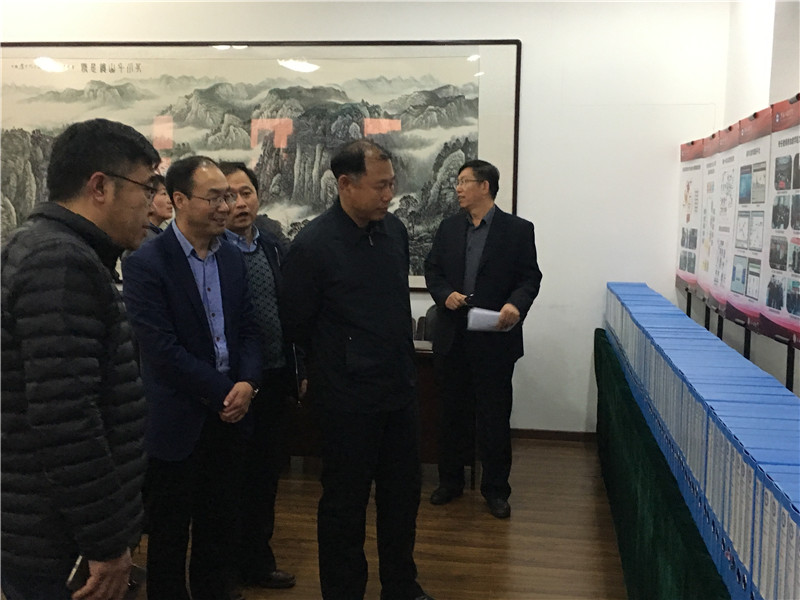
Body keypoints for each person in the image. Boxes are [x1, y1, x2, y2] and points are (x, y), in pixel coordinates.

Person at [1, 118, 160, 600]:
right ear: (100, 186)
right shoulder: (61, 262)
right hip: (56, 536)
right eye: (147, 187)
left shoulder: (47, 246)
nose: (154, 204)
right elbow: (67, 421)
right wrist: (106, 543)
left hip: (48, 523)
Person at [280, 140, 434, 600]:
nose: (390, 194)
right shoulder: (313, 245)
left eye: (392, 184)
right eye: (380, 186)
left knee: (401, 497)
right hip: (345, 399)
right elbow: (296, 322)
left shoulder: (394, 232)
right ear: (345, 184)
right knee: (345, 504)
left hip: (398, 390)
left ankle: (401, 586)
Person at [122, 155, 262, 600]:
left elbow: (249, 330)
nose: (226, 206)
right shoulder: (147, 262)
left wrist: (248, 384)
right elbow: (161, 350)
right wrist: (226, 391)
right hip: (177, 419)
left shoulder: (232, 258)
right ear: (179, 199)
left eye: (230, 197)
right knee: (169, 534)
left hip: (230, 419)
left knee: (220, 527)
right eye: (215, 197)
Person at [424, 159, 542, 519]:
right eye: (457, 182)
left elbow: (530, 278)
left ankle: (496, 490)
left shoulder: (517, 230)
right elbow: (433, 270)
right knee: (451, 414)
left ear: (485, 186)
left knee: (493, 418)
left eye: (464, 182)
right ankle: (450, 482)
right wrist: (444, 294)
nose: (457, 188)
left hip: (495, 340)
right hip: (453, 337)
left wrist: (515, 304)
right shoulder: (448, 228)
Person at [220, 161, 303, 591]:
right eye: (229, 195)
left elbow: (290, 312)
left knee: (265, 477)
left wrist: (299, 366)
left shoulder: (272, 247)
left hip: (273, 377)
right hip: (230, 385)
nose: (239, 203)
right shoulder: (213, 250)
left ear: (258, 196)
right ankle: (226, 568)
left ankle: (258, 560)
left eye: (246, 193)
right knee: (230, 479)